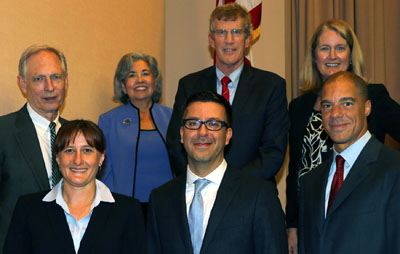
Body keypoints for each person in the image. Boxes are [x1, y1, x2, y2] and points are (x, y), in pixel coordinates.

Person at [286, 19, 400, 253]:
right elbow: (295, 170)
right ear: (314, 56)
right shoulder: (299, 106)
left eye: (340, 47)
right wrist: (293, 224)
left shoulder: (374, 94)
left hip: (366, 210)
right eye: (324, 48)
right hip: (314, 209)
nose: (332, 55)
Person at [147, 91, 288, 254]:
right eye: (193, 123)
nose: (202, 132)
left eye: (213, 124)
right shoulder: (160, 200)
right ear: (181, 134)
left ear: (228, 135)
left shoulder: (259, 195)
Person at [166, 3, 289, 181]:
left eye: (236, 32)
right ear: (211, 40)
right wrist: (202, 180)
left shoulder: (271, 87)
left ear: (247, 40)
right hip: (200, 190)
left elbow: (273, 152)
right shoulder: (189, 85)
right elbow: (176, 143)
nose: (229, 40)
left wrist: (229, 185)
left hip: (252, 194)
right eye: (221, 32)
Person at [3, 120, 146, 254]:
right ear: (58, 158)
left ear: (101, 157)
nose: (78, 160)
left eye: (87, 150)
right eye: (69, 150)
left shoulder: (128, 210)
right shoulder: (28, 208)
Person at [298, 71, 400, 253]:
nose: (335, 114)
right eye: (327, 105)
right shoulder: (310, 182)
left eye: (346, 103)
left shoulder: (394, 169)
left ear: (367, 108)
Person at [0, 45, 69, 252]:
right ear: (23, 84)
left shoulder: (79, 136)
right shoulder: (3, 132)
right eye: (39, 79)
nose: (49, 86)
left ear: (66, 81)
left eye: (56, 77)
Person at [98, 52, 173, 214]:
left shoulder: (172, 117)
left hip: (167, 207)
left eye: (145, 73)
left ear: (155, 82)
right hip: (124, 208)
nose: (140, 79)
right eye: (132, 75)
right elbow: (102, 170)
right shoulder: (109, 121)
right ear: (124, 86)